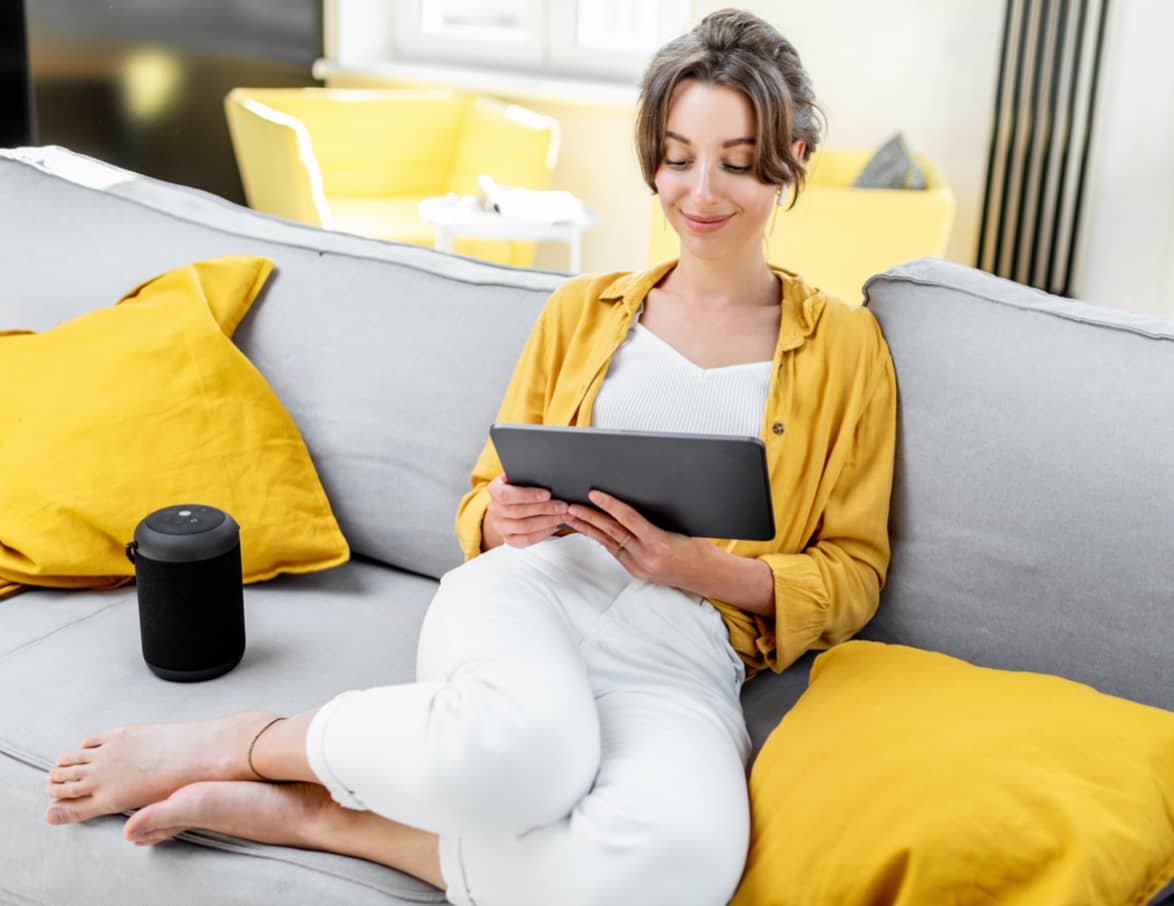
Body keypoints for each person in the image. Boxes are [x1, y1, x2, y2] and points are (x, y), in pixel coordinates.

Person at [43, 9, 896, 906]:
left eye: (737, 159)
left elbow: (853, 572)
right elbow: (488, 493)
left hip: (688, 648)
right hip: (535, 590)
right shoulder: (582, 311)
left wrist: (699, 569)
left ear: (793, 160)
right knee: (527, 758)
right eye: (677, 156)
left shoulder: (846, 349)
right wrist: (500, 515)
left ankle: (318, 818)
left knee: (674, 864)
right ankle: (244, 743)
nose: (701, 191)